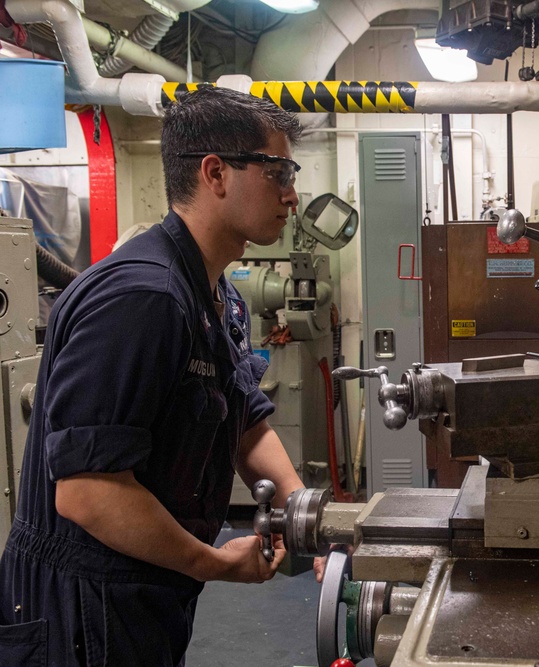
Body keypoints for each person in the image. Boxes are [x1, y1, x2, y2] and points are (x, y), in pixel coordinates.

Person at [0, 86, 314, 666]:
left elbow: (243, 422)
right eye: (278, 172)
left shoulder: (218, 294)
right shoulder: (144, 297)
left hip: (145, 589)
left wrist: (305, 517)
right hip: (82, 608)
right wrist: (214, 562)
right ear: (215, 173)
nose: (292, 195)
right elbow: (88, 493)